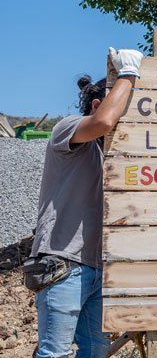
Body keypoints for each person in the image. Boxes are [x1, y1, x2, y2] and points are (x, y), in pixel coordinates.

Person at [28, 48, 143, 358]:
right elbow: (104, 121)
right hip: (63, 263)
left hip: (95, 269)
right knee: (55, 353)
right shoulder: (68, 129)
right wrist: (128, 74)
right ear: (97, 103)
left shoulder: (109, 157)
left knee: (95, 352)